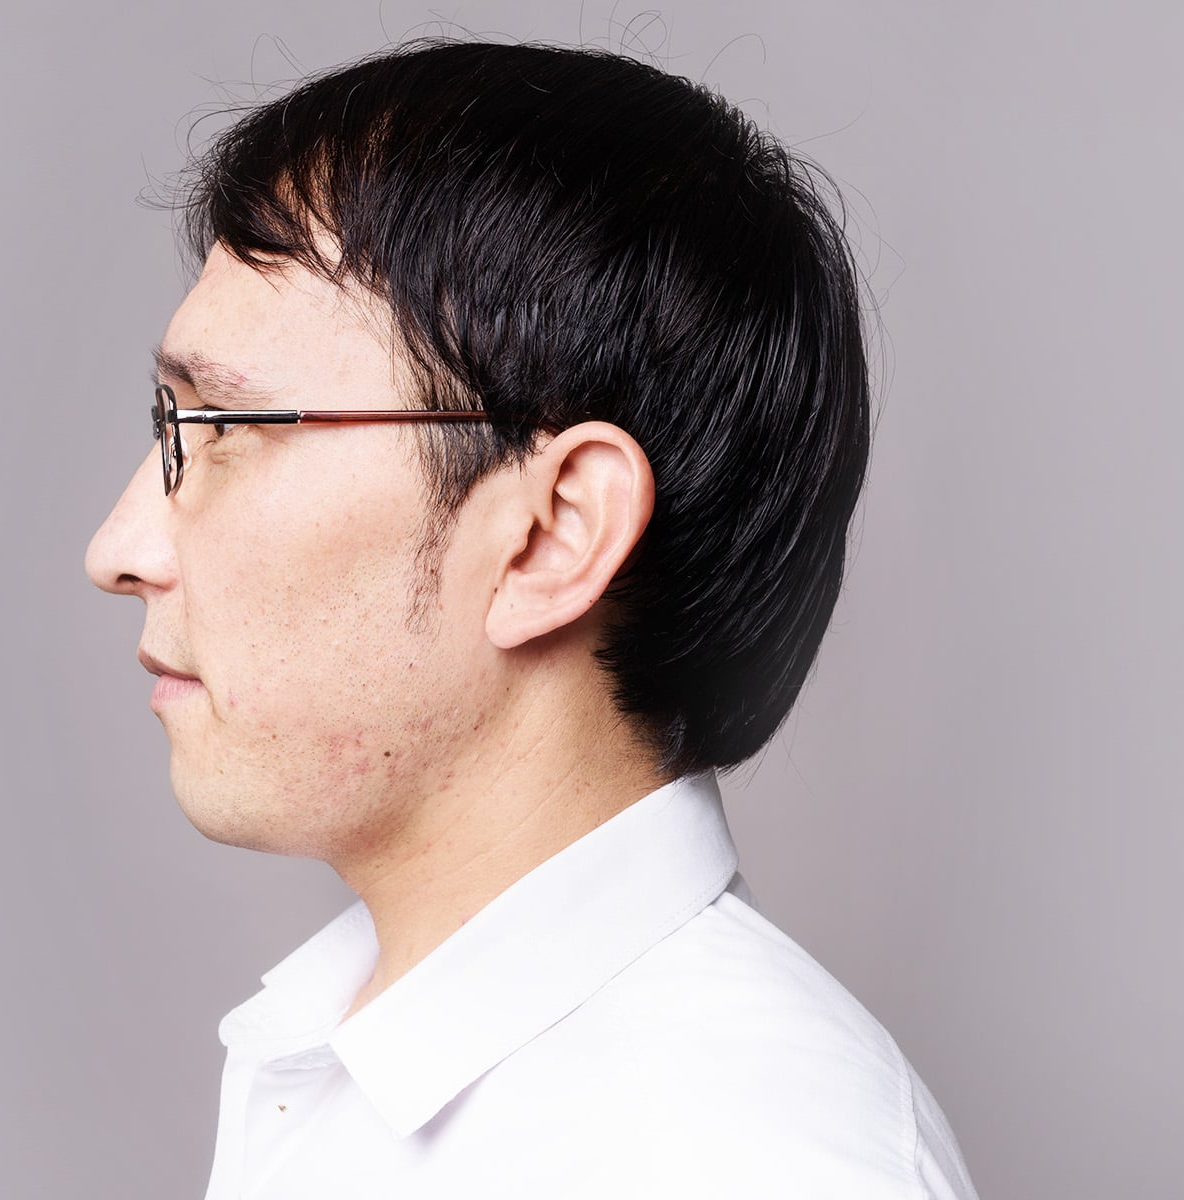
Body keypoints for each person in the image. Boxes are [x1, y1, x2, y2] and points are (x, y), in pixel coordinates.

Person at [84, 38, 978, 1199]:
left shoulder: (751, 1159)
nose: (119, 550)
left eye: (226, 429)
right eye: (171, 423)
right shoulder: (346, 1053)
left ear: (553, 533)